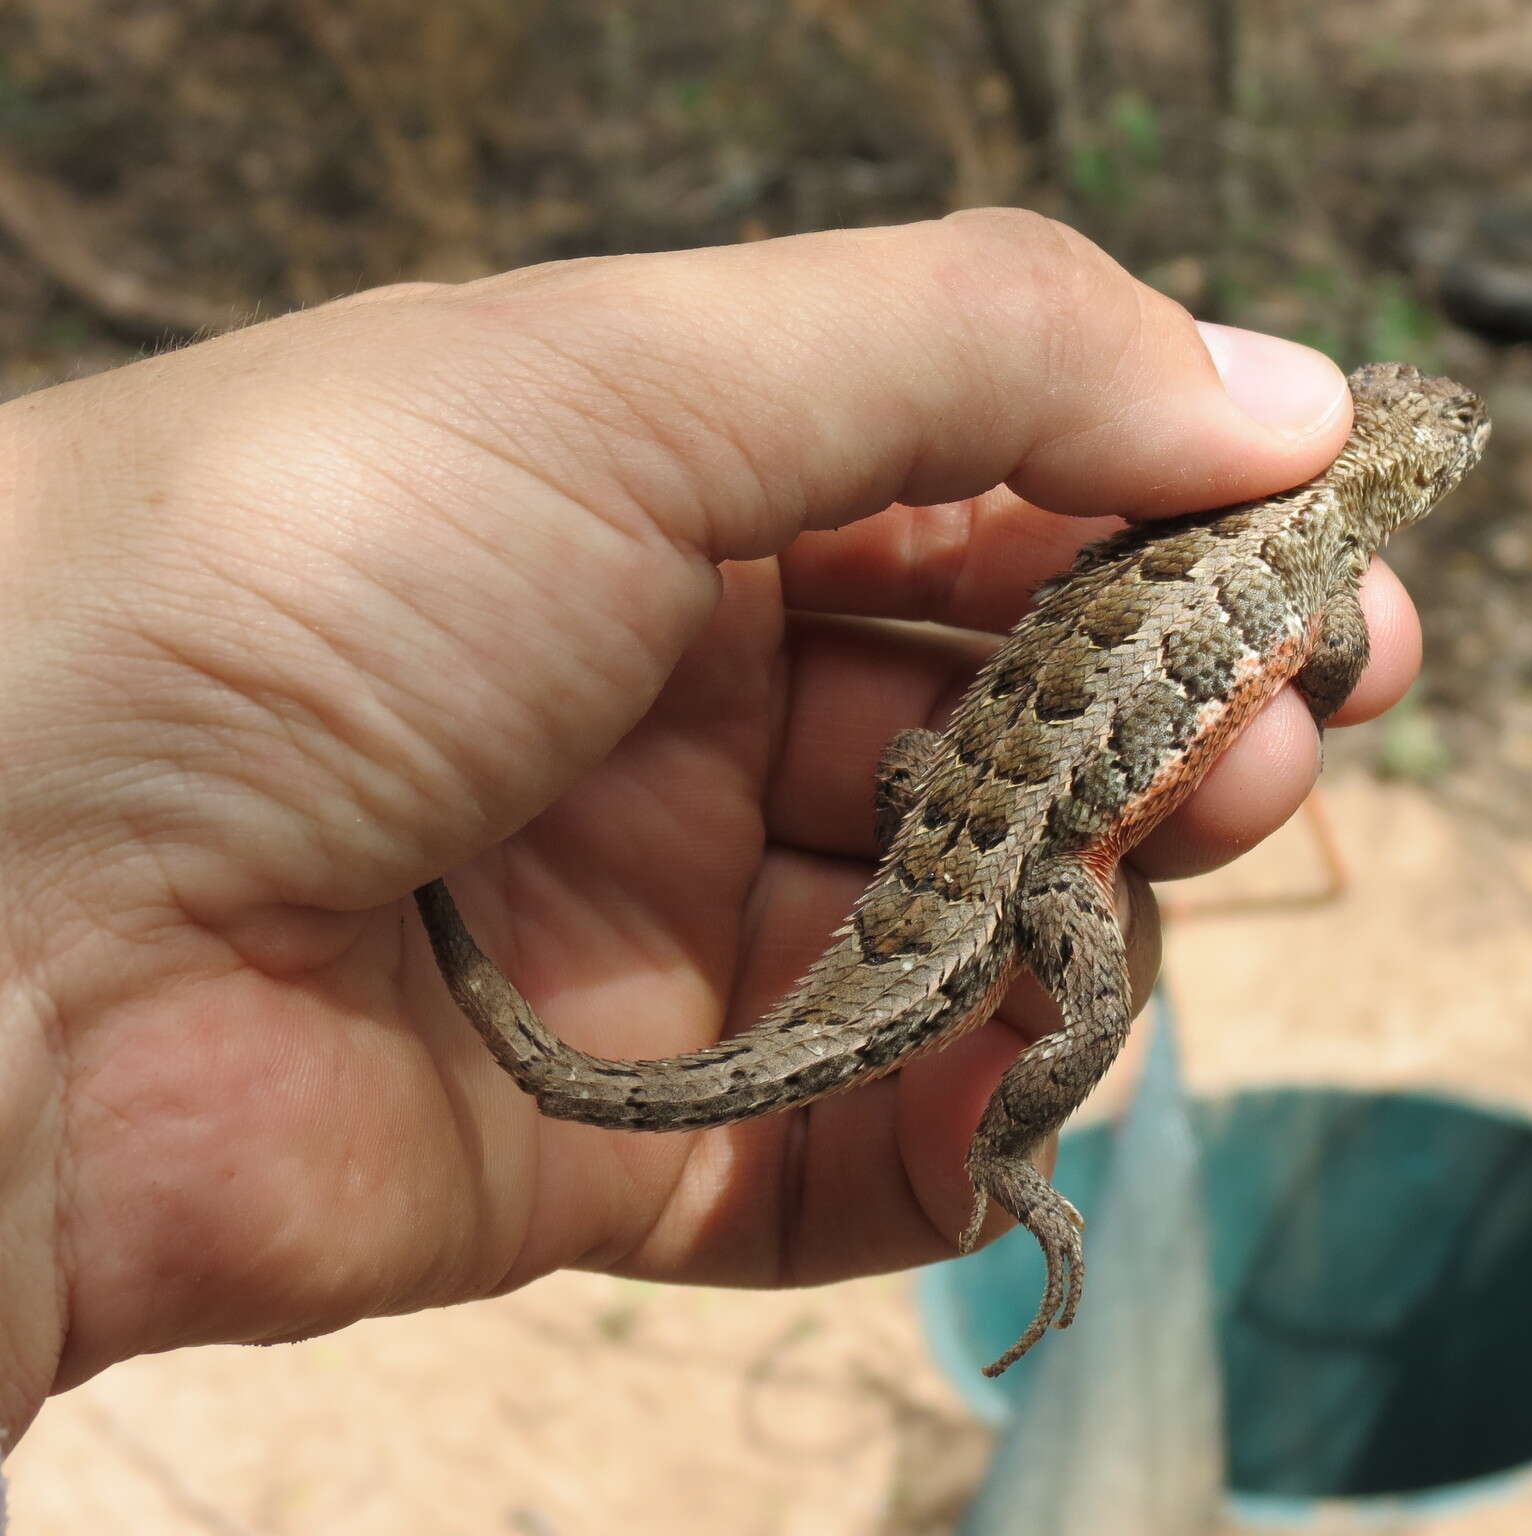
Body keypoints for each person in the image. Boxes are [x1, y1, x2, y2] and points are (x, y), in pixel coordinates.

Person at [0, 210, 1422, 1445]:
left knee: (987, 837)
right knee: (1087, 1016)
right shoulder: (1320, 570)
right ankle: (1002, 1162)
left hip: (954, 798)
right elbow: (1345, 668)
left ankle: (984, 1110)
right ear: (1385, 493)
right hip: (1040, 851)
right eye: (1430, 444)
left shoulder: (1232, 536)